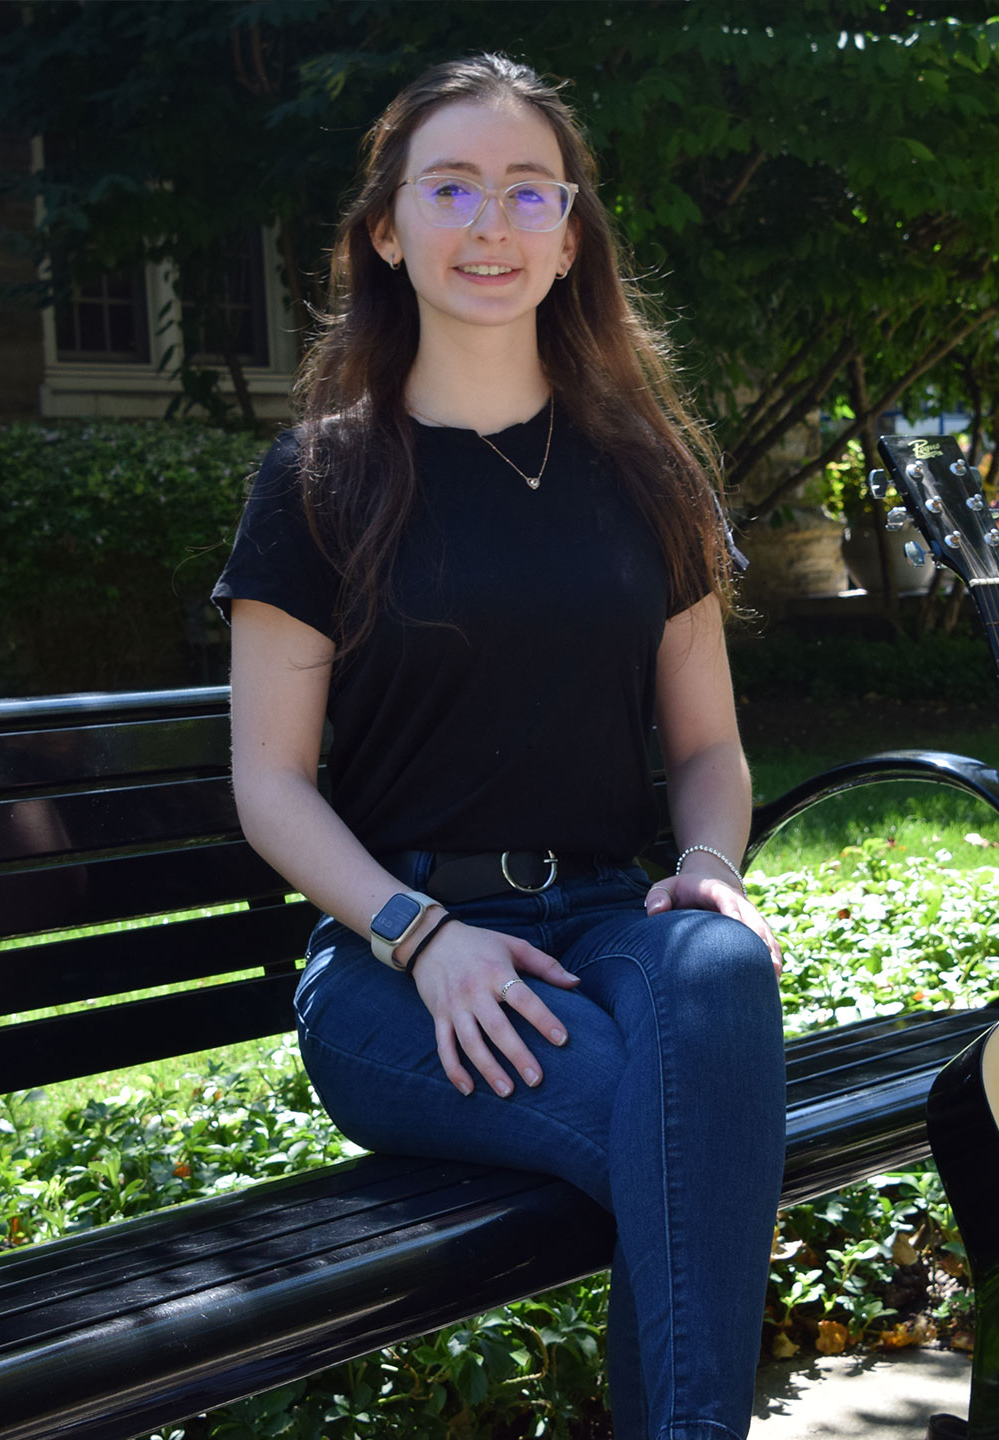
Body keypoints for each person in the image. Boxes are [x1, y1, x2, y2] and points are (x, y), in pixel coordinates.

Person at [213, 53, 785, 1440]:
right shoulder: (321, 479)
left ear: (572, 233)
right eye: (452, 188)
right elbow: (271, 784)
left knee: (721, 961)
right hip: (395, 967)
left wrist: (707, 861)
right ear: (388, 232)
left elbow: (708, 748)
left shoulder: (646, 468)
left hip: (613, 920)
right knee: (690, 1135)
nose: (492, 225)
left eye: (530, 191)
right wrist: (423, 935)